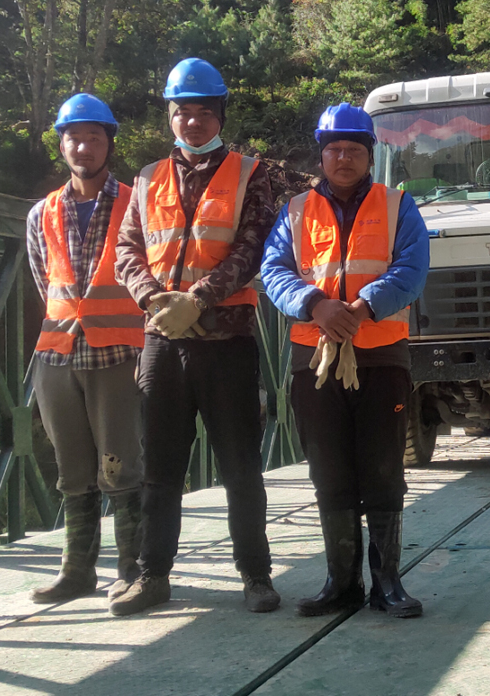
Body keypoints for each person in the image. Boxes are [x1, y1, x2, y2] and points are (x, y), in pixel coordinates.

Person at [111, 58, 279, 616]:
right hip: (163, 341)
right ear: (170, 116)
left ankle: (256, 575)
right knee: (160, 468)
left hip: (226, 341)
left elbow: (253, 247)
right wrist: (152, 299)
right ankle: (152, 575)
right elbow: (127, 249)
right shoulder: (146, 178)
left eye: (204, 112)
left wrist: (198, 299)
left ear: (220, 116)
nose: (192, 121)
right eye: (182, 111)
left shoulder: (250, 174)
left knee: (240, 467)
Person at [260, 103, 429, 618]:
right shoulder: (295, 212)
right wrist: (316, 305)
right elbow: (274, 270)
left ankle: (387, 583)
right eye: (334, 149)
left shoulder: (398, 205)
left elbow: (412, 267)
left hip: (380, 356)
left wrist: (362, 307)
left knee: (382, 468)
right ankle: (342, 582)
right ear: (322, 155)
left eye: (353, 149)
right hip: (314, 361)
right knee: (329, 470)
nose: (343, 158)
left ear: (369, 155)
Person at [26, 93, 145, 607]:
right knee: (72, 470)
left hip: (117, 353)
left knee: (121, 467)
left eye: (94, 137)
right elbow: (43, 278)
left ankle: (132, 569)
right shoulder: (42, 212)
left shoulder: (136, 202)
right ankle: (77, 571)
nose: (83, 146)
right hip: (58, 352)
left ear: (108, 144)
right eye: (74, 137)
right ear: (62, 145)